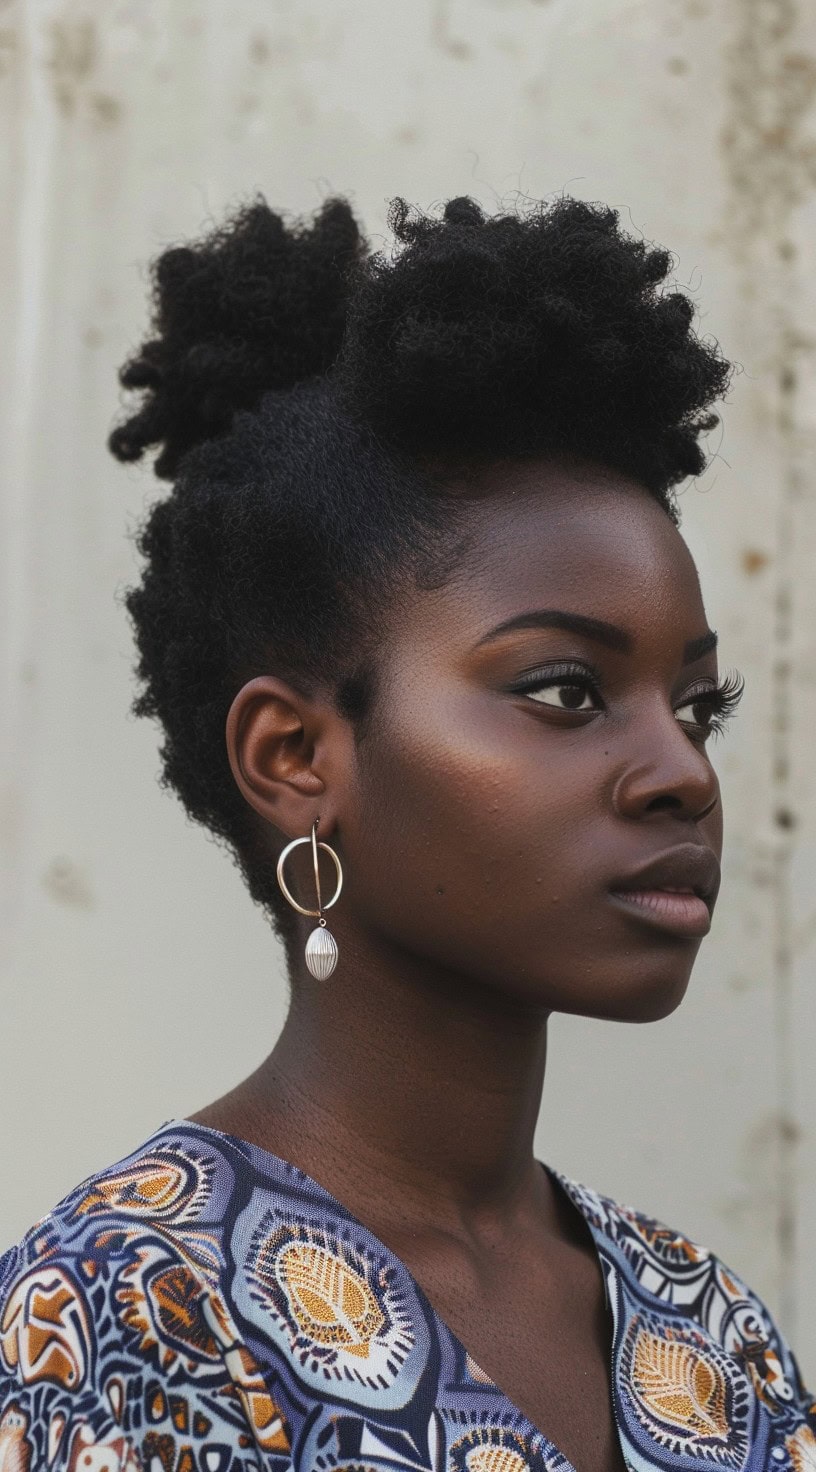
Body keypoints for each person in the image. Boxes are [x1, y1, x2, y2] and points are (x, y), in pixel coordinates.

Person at [0, 194, 812, 1472]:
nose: (681, 773)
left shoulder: (715, 1334)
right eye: (566, 691)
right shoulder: (126, 1316)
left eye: (699, 705)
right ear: (296, 758)